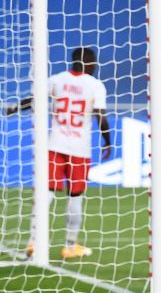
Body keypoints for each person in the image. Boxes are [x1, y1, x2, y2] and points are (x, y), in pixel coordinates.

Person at [7, 48, 111, 259]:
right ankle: (70, 246)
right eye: (94, 63)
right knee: (75, 197)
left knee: (46, 194)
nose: (95, 66)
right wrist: (107, 140)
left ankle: (33, 242)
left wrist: (14, 108)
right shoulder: (95, 85)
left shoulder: (56, 80)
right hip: (79, 150)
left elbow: (34, 99)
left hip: (55, 146)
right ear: (89, 64)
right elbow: (100, 115)